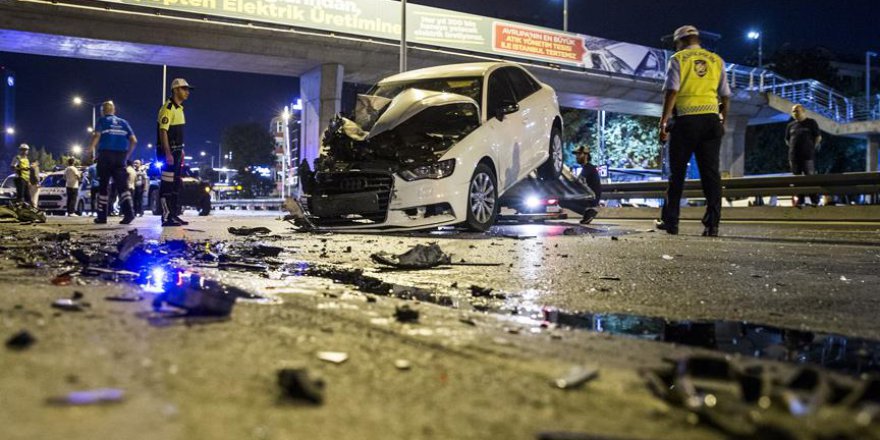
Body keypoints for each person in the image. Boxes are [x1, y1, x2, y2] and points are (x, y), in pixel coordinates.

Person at [656, 25, 731, 237]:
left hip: (685, 122)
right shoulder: (716, 60)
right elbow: (725, 95)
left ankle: (671, 222)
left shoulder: (678, 59)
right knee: (711, 175)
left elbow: (672, 91)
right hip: (710, 121)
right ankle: (712, 224)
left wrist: (663, 122)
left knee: (677, 174)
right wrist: (722, 121)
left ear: (680, 41)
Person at [87, 101, 138, 225]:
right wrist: (127, 155)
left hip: (105, 155)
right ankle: (129, 213)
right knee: (123, 187)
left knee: (103, 186)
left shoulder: (102, 121)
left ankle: (102, 216)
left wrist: (90, 150)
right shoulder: (124, 122)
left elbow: (97, 136)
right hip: (120, 156)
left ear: (103, 111)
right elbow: (134, 140)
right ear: (114, 110)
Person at [157, 78, 193, 227]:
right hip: (168, 154)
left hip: (177, 153)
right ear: (176, 90)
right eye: (184, 89)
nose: (187, 92)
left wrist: (181, 150)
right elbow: (163, 131)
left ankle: (174, 215)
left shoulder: (180, 109)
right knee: (167, 186)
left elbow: (177, 133)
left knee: (175, 185)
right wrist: (168, 153)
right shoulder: (168, 108)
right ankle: (166, 217)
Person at [785, 104, 822, 207]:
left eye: (797, 111)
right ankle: (800, 201)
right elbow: (787, 140)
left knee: (810, 178)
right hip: (794, 157)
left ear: (803, 111)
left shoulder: (811, 123)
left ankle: (815, 201)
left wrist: (811, 148)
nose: (794, 113)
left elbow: (818, 137)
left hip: (807, 156)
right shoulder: (790, 125)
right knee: (796, 180)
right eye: (793, 111)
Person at [573, 146, 603, 224]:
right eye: (576, 155)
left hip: (591, 199)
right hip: (590, 197)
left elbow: (578, 181)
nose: (576, 157)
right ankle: (588, 212)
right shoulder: (587, 168)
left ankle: (589, 211)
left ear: (586, 155)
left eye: (579, 154)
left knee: (562, 200)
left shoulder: (588, 168)